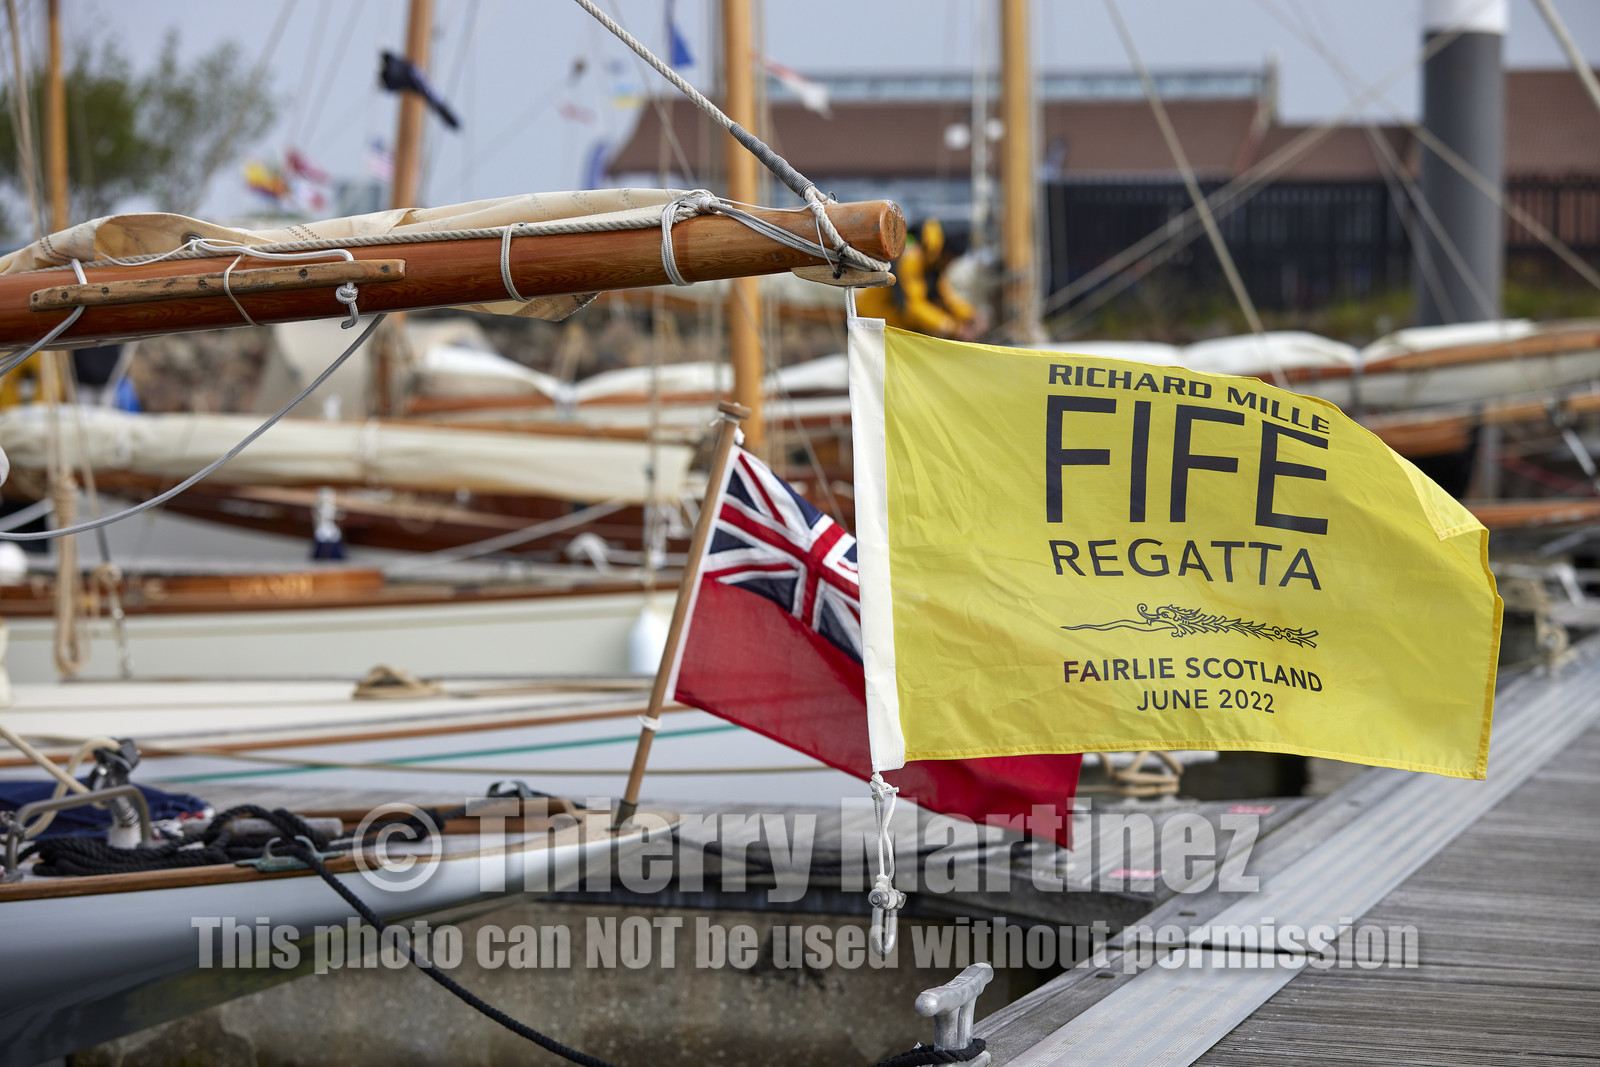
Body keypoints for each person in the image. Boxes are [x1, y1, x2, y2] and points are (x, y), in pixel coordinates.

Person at [856, 218, 984, 339]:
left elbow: (945, 295)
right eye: (951, 260)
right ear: (947, 253)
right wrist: (953, 328)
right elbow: (914, 306)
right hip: (873, 322)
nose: (950, 265)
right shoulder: (912, 259)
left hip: (893, 327)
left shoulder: (933, 262)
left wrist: (970, 315)